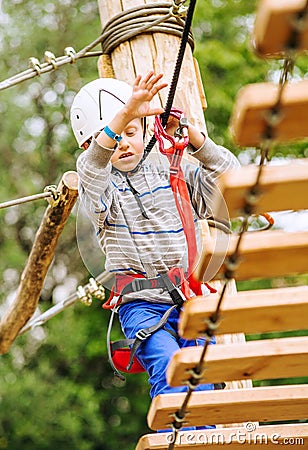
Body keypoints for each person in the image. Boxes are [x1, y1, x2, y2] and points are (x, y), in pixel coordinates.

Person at [70, 72, 239, 406]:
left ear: (145, 130)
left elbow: (231, 181)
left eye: (131, 132)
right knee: (169, 368)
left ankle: (205, 437)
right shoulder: (101, 192)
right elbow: (90, 168)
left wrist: (193, 138)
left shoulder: (173, 171)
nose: (123, 142)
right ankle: (182, 438)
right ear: (91, 146)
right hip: (142, 304)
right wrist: (127, 112)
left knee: (204, 377)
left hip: (190, 297)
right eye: (115, 136)